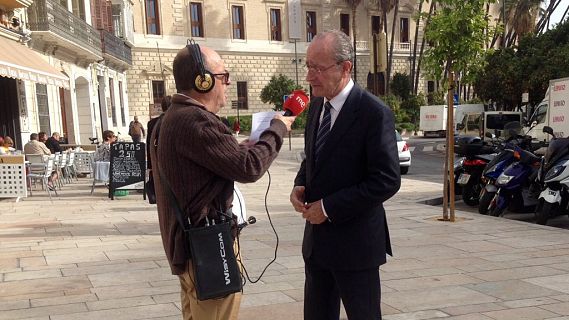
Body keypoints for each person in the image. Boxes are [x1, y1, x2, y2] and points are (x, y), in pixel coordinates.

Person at [150, 43, 295, 320]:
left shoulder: (172, 118)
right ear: (202, 81)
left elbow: (208, 161)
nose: (227, 84)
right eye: (223, 77)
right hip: (208, 251)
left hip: (191, 250)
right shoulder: (198, 121)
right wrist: (277, 128)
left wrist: (240, 146)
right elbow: (250, 168)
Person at [289, 30, 401, 320]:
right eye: (308, 66)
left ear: (345, 67)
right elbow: (313, 157)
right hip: (317, 246)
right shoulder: (316, 105)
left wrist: (328, 207)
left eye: (318, 67)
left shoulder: (373, 113)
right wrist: (300, 183)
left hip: (356, 246)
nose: (310, 75)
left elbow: (387, 179)